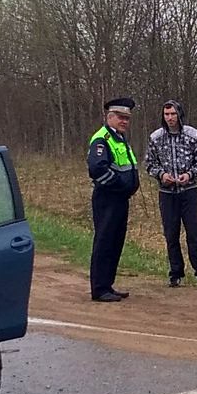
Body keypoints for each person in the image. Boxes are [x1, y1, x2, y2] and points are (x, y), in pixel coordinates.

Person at [143, 99, 197, 288]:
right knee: (171, 234)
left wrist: (189, 175)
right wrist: (162, 175)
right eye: (167, 115)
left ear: (179, 114)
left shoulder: (192, 135)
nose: (170, 118)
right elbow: (149, 163)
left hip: (188, 191)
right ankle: (175, 272)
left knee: (193, 234)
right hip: (167, 193)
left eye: (173, 114)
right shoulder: (156, 137)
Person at [84, 96, 139, 301]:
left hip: (120, 200)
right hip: (107, 199)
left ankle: (107, 284)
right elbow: (97, 169)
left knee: (116, 242)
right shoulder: (102, 139)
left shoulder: (119, 138)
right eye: (120, 117)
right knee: (105, 242)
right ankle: (99, 288)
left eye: (127, 118)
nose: (124, 121)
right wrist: (120, 185)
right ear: (110, 117)